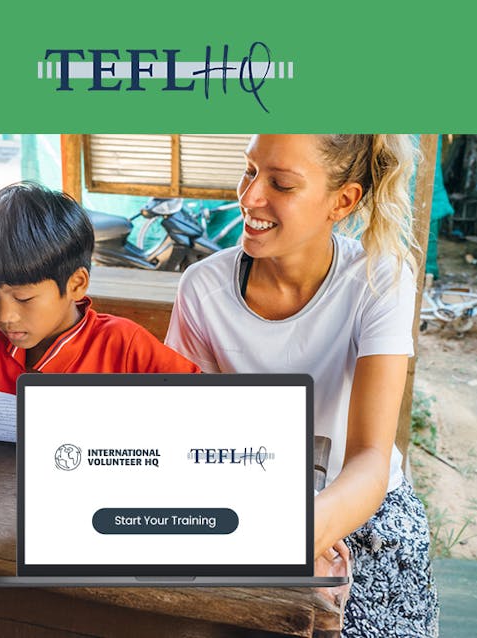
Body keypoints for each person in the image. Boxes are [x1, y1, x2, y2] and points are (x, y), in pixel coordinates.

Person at [165, 135, 438, 637]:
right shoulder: (203, 290)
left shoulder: (380, 280)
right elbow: (188, 438)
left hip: (360, 505)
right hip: (249, 500)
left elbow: (370, 459)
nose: (249, 197)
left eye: (281, 184)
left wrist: (305, 530)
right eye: (249, 172)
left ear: (344, 200)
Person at [0, 181, 199, 446]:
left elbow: (206, 406)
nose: (6, 316)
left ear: (76, 285)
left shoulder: (124, 344)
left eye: (24, 298)